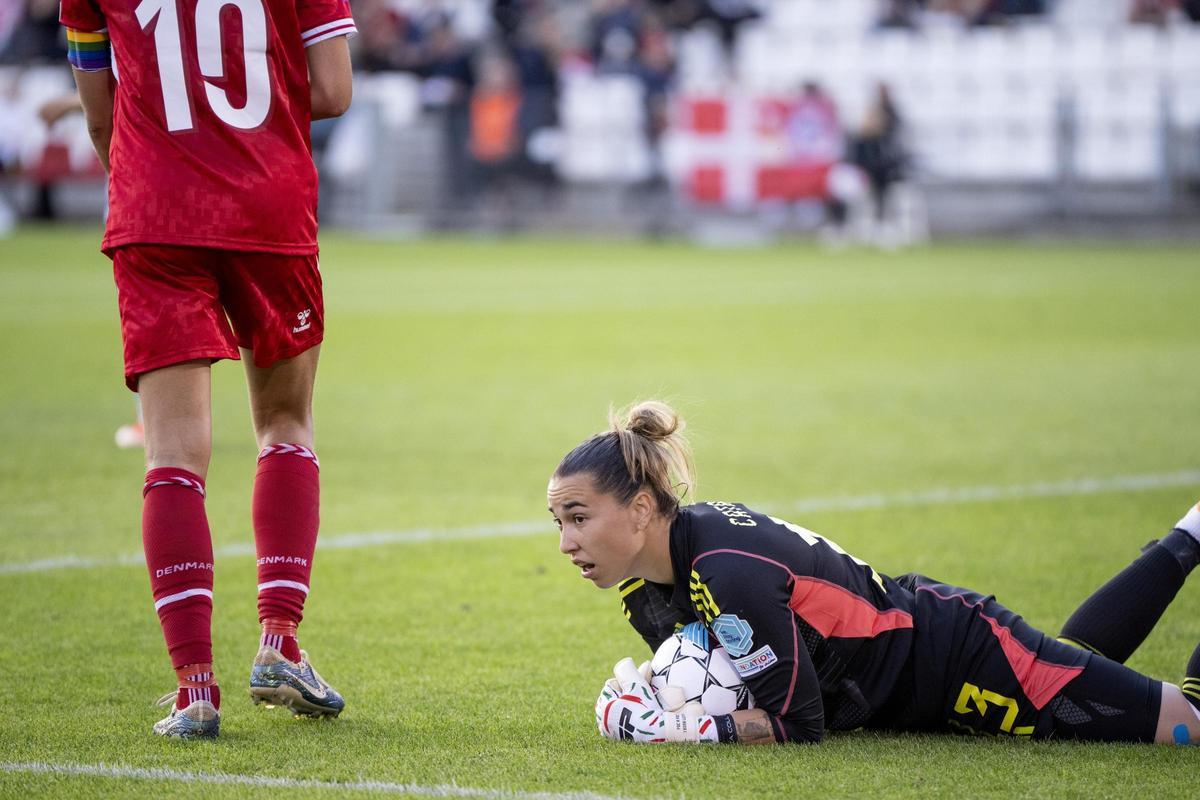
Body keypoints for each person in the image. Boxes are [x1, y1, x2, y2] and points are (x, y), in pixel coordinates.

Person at [548, 401, 1200, 745]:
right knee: (1078, 664)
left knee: (1187, 725)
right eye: (558, 523)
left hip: (955, 658)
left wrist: (673, 728)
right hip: (916, 676)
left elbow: (798, 725)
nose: (566, 542)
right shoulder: (649, 586)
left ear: (639, 509)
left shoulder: (726, 573)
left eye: (578, 518)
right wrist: (665, 695)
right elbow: (738, 678)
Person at [59, 0, 356, 739]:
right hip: (268, 208)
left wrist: (158, 173)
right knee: (285, 425)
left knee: (172, 455)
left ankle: (194, 687)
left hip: (154, 213)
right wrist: (243, 126)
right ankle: (279, 642)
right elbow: (333, 90)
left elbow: (100, 116)